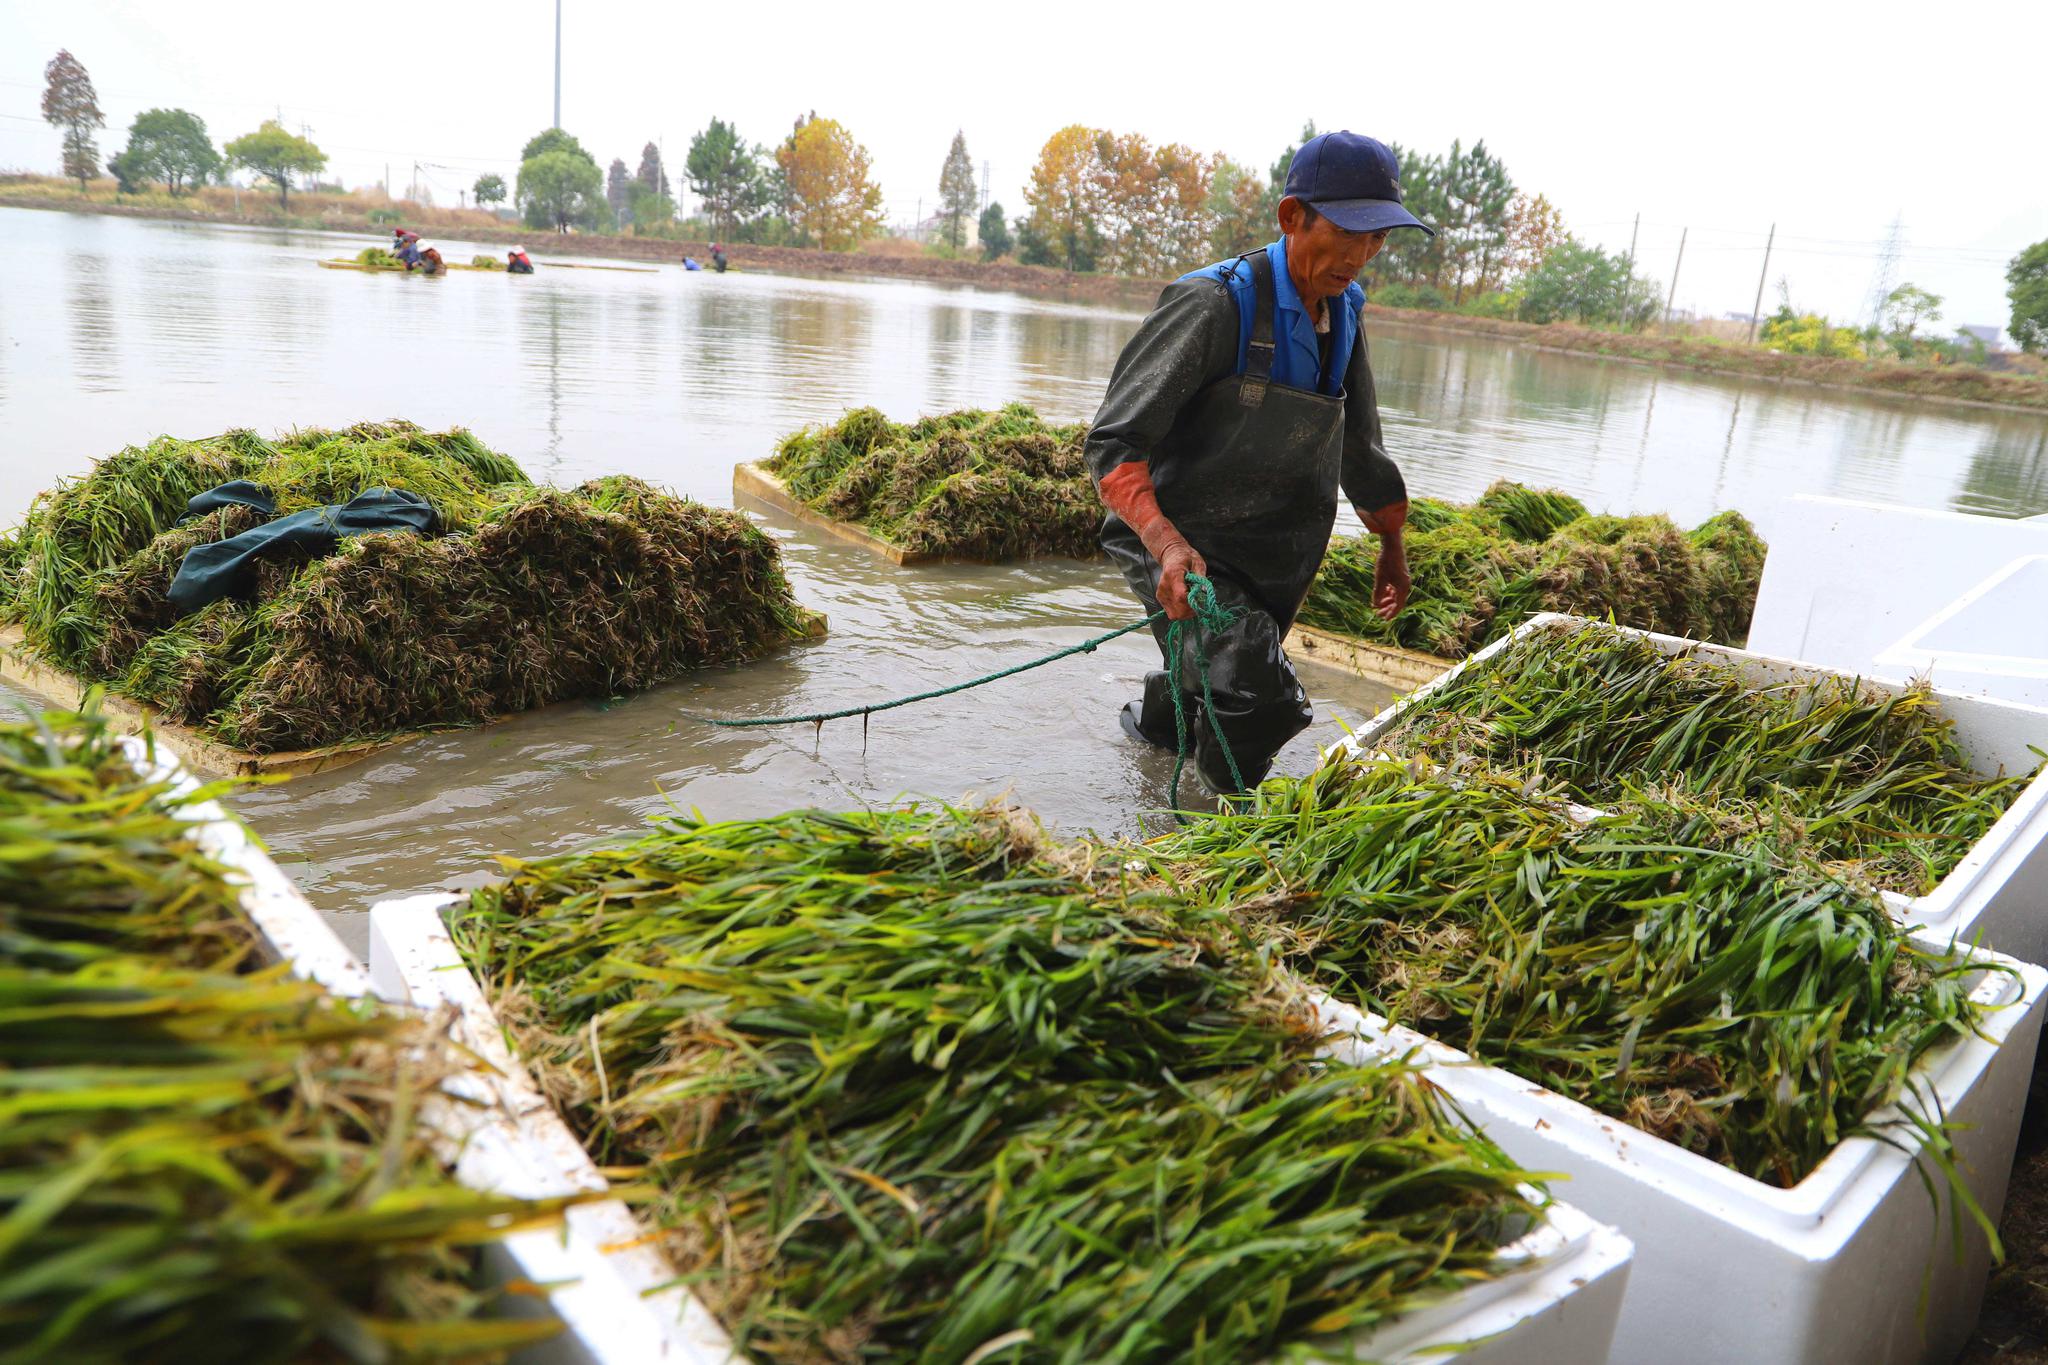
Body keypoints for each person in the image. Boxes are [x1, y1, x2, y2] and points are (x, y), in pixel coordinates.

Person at [1084, 129, 1428, 794]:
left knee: (1219, 682)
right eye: (1349, 231)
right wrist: (1166, 544)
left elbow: (1360, 442)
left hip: (1273, 550)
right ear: (1291, 216)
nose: (1362, 254)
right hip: (1183, 543)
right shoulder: (1214, 304)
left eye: (1379, 237)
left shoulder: (1345, 313)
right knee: (1263, 699)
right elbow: (1113, 444)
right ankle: (1204, 846)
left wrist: (1391, 542)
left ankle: (1151, 740)